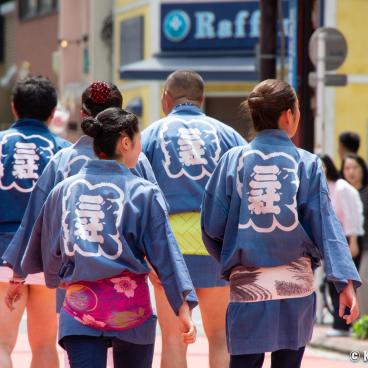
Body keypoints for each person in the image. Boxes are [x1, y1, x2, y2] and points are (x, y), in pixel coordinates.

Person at [7, 107, 197, 368]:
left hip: (79, 306)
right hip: (132, 311)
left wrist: (55, 279)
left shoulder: (63, 190)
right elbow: (165, 253)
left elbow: (49, 244)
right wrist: (183, 306)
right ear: (126, 141)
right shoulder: (145, 192)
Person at [201, 79, 361, 368]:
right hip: (295, 288)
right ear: (288, 115)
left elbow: (212, 227)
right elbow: (326, 228)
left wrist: (234, 260)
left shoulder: (232, 161)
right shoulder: (307, 163)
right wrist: (344, 282)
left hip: (247, 285)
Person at [141, 70, 246, 368]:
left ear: (166, 98)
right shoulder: (228, 135)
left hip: (168, 244)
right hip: (217, 241)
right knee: (222, 338)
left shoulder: (150, 135)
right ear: (203, 99)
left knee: (173, 340)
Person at [0, 76, 70, 368]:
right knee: (44, 345)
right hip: (47, 256)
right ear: (53, 113)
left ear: (14, 108)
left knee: (2, 343)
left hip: (3, 253)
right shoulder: (64, 151)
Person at [320, 154, 364, 337]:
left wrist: (353, 241)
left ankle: (344, 324)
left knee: (345, 282)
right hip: (333, 239)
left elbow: (352, 216)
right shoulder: (322, 187)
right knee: (333, 282)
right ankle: (340, 324)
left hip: (346, 238)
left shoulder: (341, 187)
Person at [341, 154, 368, 316]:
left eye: (355, 167)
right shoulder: (340, 192)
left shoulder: (365, 193)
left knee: (364, 281)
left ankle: (363, 323)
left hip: (364, 246)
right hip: (344, 248)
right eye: (347, 168)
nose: (351, 172)